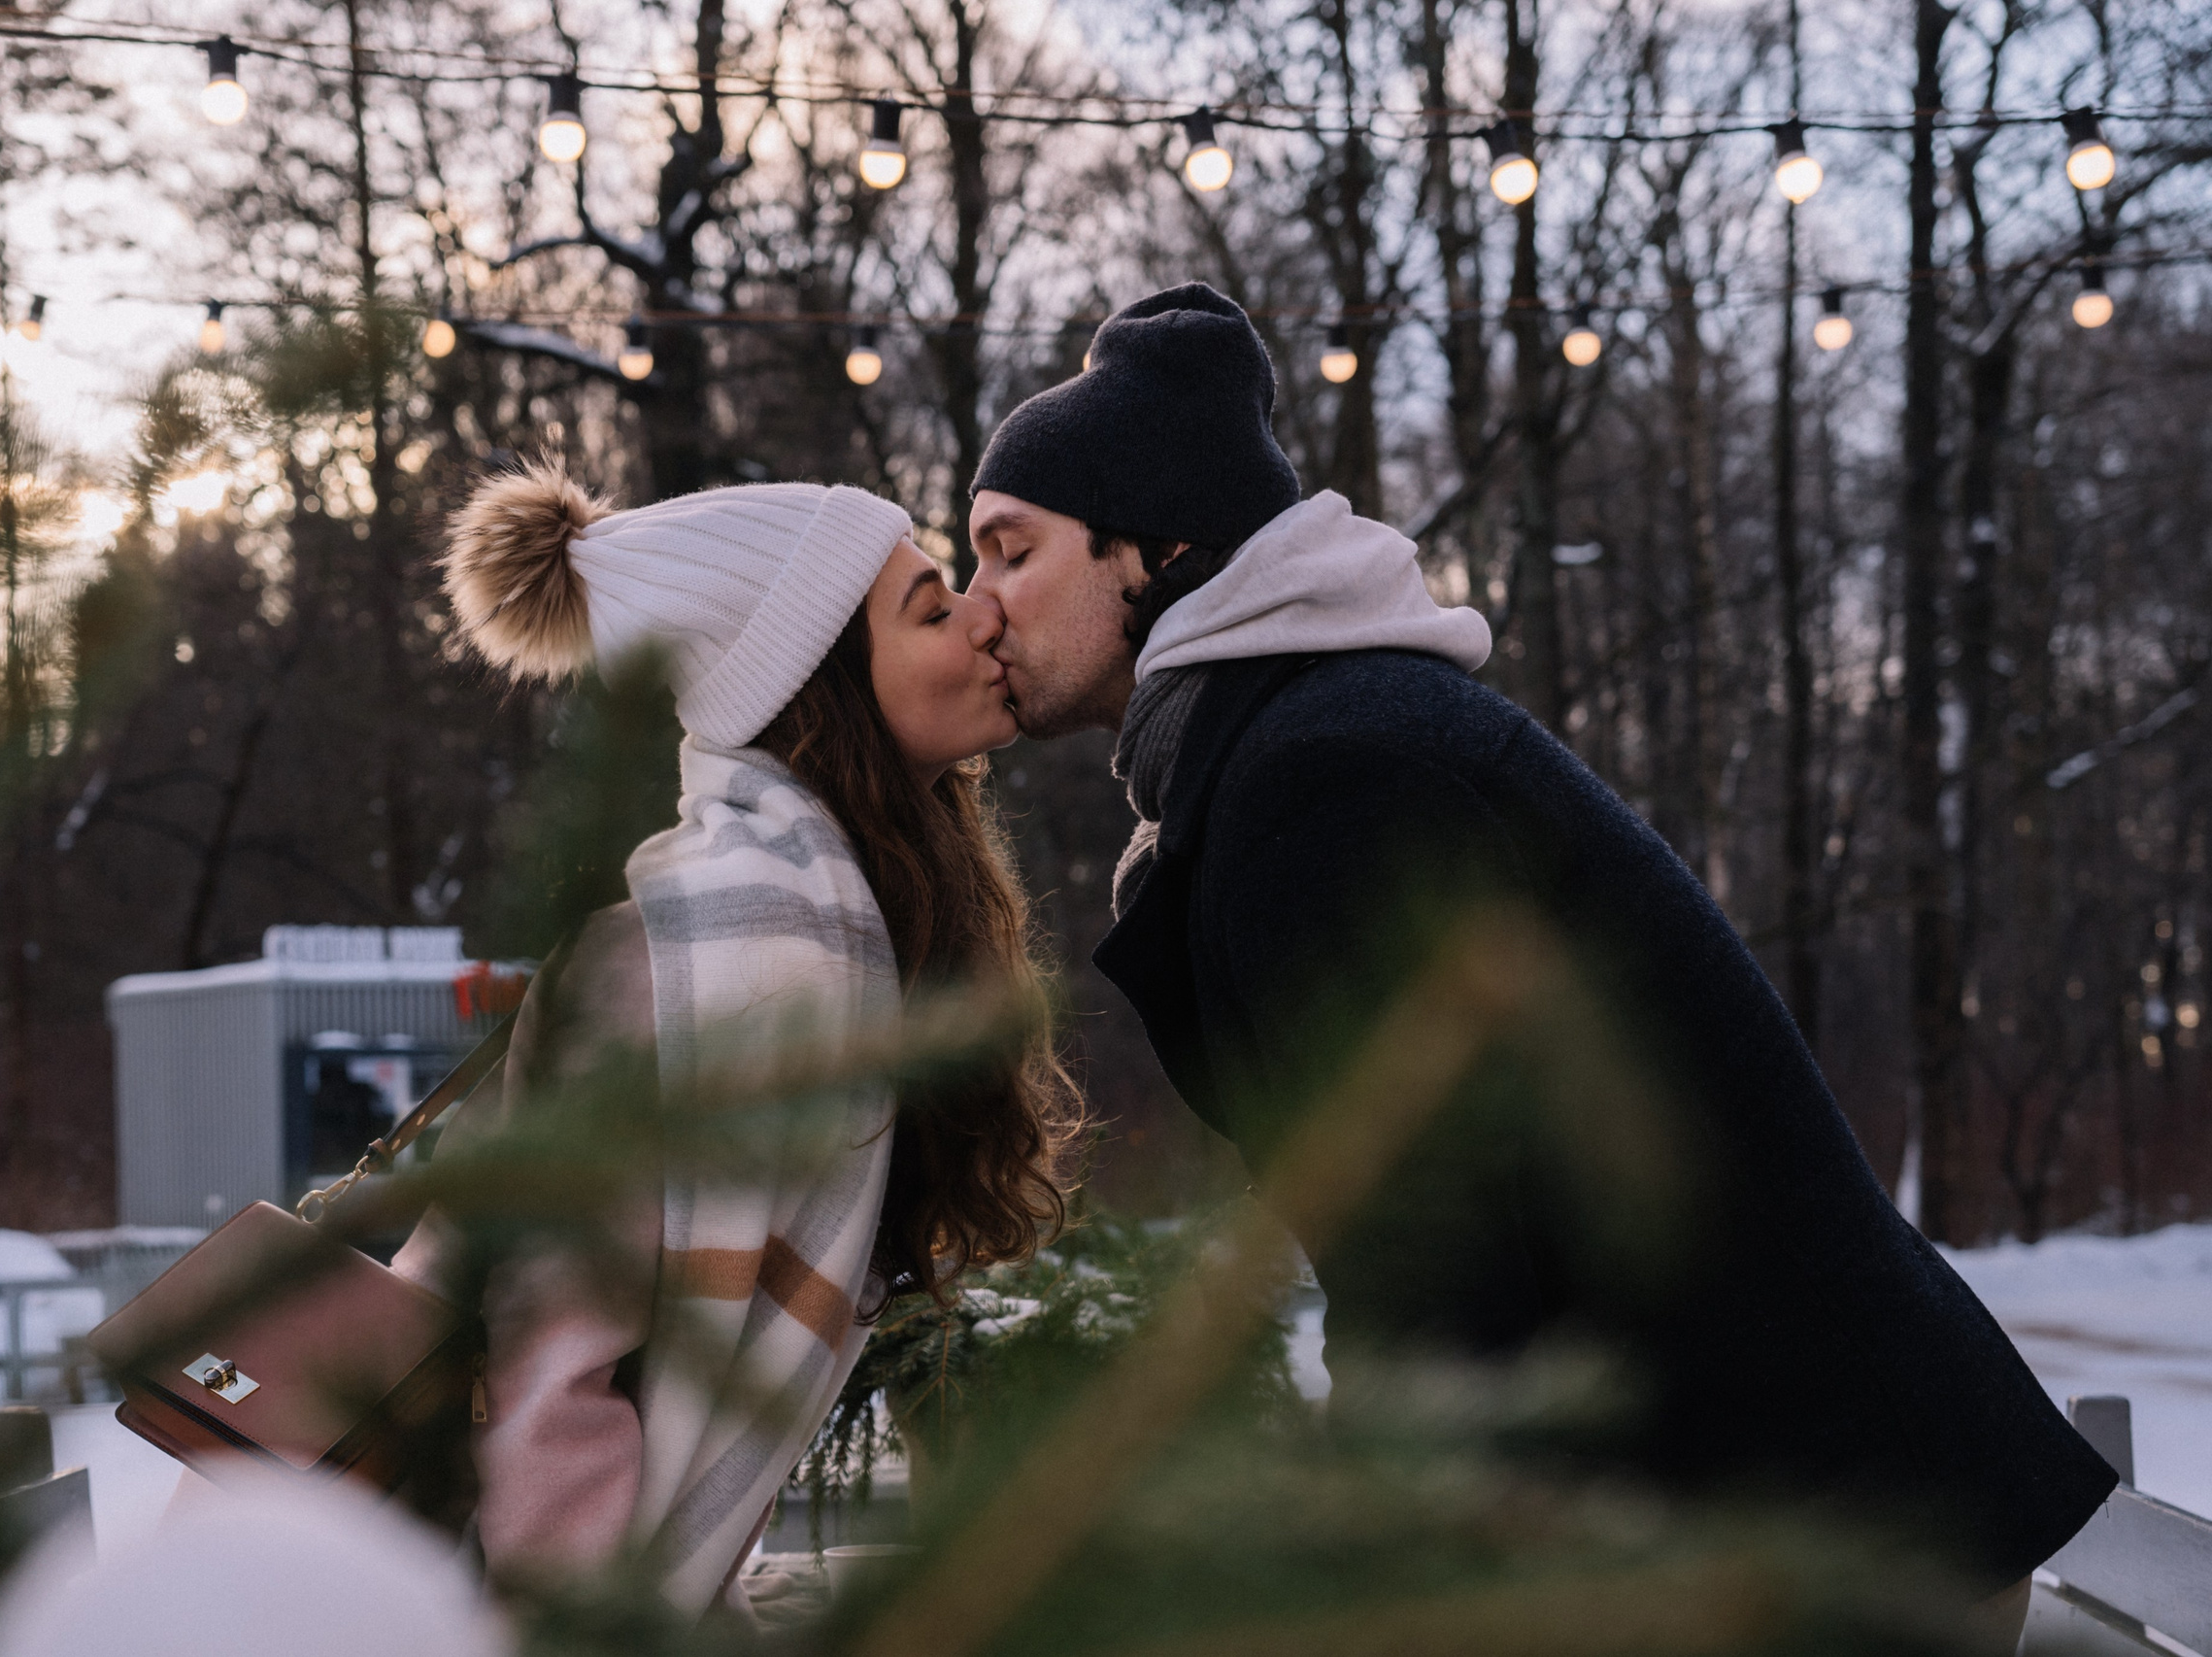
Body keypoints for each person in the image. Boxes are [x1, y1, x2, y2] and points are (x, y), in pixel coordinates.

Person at [958, 283, 2113, 1633]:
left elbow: (1443, 1255)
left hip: (1818, 1531)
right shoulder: (1306, 742)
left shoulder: (1328, 774)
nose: (981, 604)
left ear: (1153, 548)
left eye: (1006, 549)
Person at [394, 463, 1082, 1614]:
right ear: (818, 687)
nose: (982, 613)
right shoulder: (689, 956)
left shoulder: (859, 924)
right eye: (929, 606)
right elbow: (543, 1358)